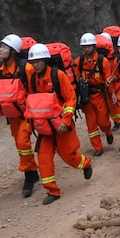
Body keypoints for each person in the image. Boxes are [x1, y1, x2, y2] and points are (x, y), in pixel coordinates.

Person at [24, 43, 93, 204]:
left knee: (69, 156)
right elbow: (32, 102)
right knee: (44, 158)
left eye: (38, 61)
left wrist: (66, 119)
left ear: (46, 60)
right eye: (32, 62)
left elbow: (71, 98)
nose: (35, 65)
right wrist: (30, 123)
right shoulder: (32, 79)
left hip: (60, 125)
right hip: (44, 128)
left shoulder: (58, 75)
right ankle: (52, 191)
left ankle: (86, 164)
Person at [0, 34, 39, 197]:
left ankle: (28, 177)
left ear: (13, 51)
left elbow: (35, 91)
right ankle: (32, 172)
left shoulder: (27, 69)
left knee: (23, 143)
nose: (0, 49)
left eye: (4, 47)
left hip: (27, 114)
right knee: (20, 146)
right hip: (12, 115)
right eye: (1, 46)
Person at [73, 33, 114, 156]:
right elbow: (75, 79)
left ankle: (108, 132)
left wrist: (112, 93)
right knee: (91, 125)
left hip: (100, 95)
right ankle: (98, 148)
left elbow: (108, 79)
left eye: (89, 46)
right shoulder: (79, 61)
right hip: (86, 97)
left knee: (103, 122)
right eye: (84, 47)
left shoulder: (103, 61)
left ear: (94, 46)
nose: (86, 49)